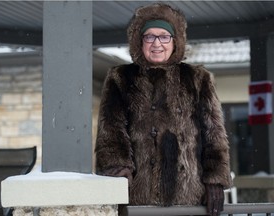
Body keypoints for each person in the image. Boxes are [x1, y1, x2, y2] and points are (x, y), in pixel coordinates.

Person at [95, 3, 232, 216]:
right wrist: (117, 185)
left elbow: (214, 135)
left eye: (164, 36)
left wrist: (215, 180)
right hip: (139, 199)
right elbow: (111, 136)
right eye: (149, 36)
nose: (157, 43)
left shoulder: (198, 79)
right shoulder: (120, 78)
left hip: (190, 198)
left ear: (175, 41)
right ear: (139, 42)